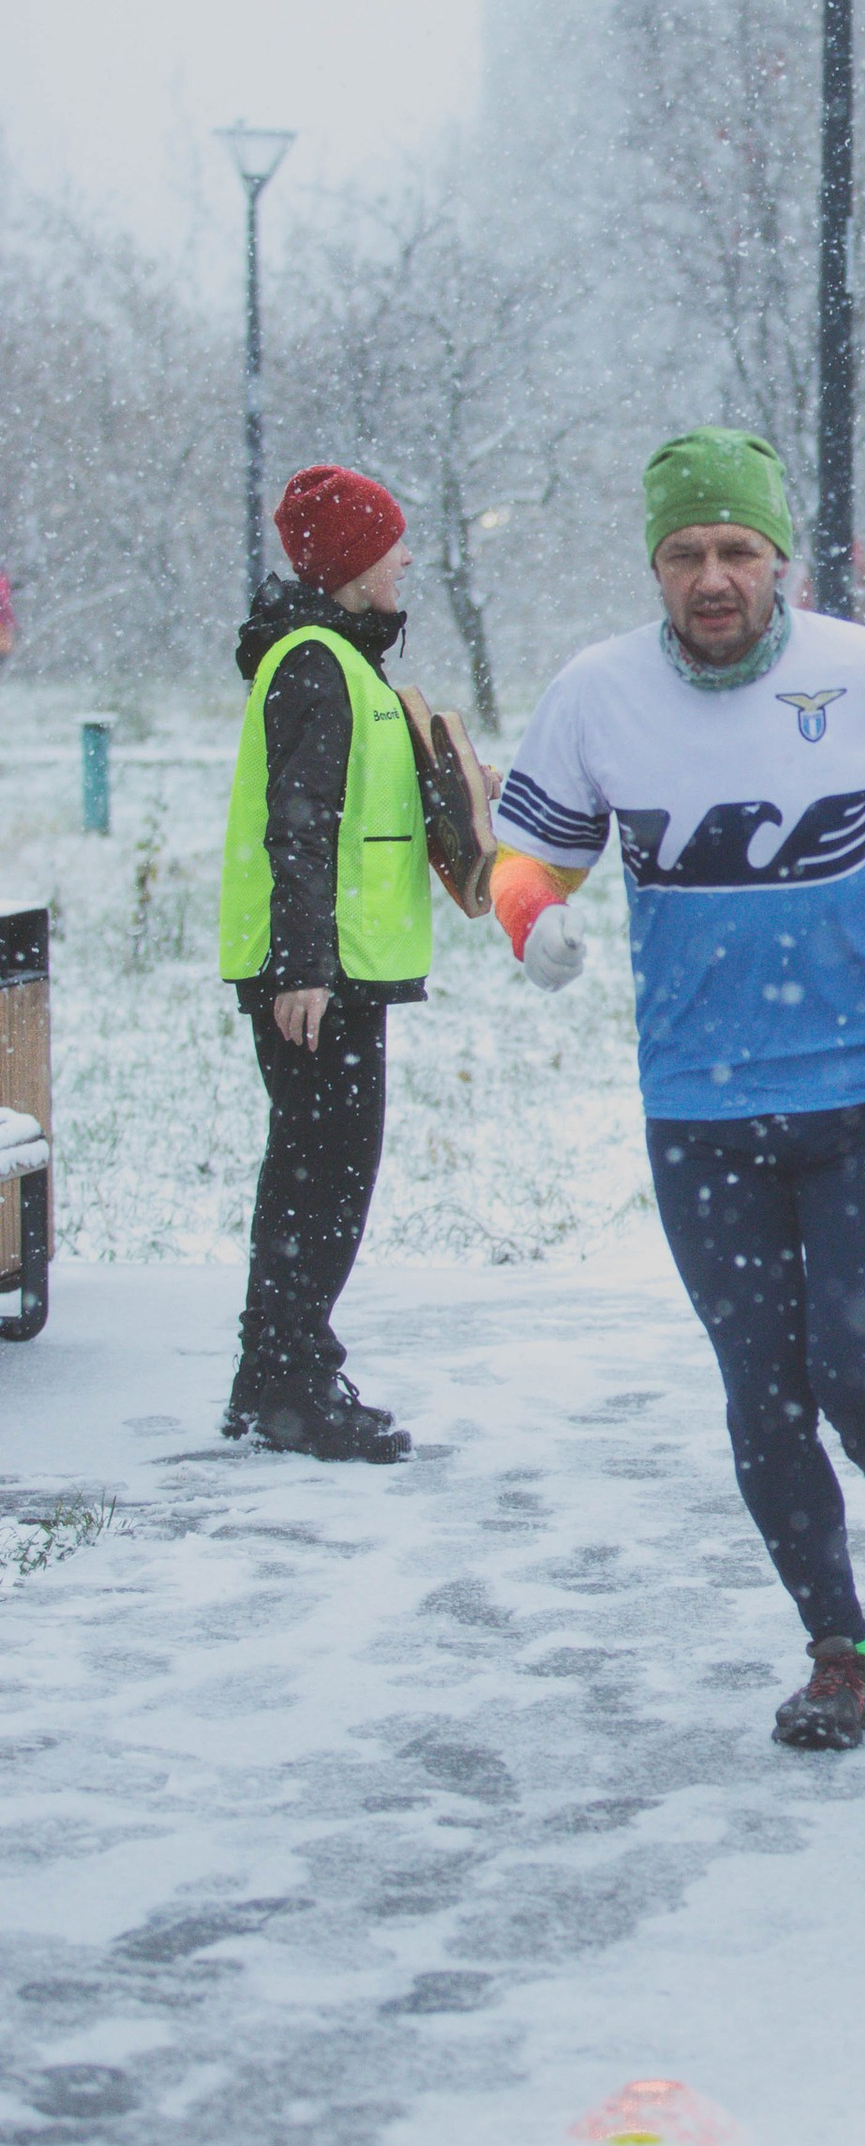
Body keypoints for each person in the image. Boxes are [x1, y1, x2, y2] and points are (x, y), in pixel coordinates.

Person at [492, 431, 865, 1753]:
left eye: (737, 549)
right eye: (685, 554)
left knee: (858, 1371)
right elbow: (525, 860)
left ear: (780, 557)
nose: (713, 577)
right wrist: (529, 919)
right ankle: (840, 1654)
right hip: (700, 1111)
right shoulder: (597, 694)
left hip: (857, 1096)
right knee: (763, 1393)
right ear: (655, 566)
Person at [219, 468, 431, 1461]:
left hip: (333, 964)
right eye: (391, 546)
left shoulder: (340, 657)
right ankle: (292, 1386)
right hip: (318, 974)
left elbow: (356, 805)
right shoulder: (317, 663)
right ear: (352, 562)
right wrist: (303, 968)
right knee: (323, 1180)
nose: (406, 560)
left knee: (312, 1171)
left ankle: (273, 1376)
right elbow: (298, 825)